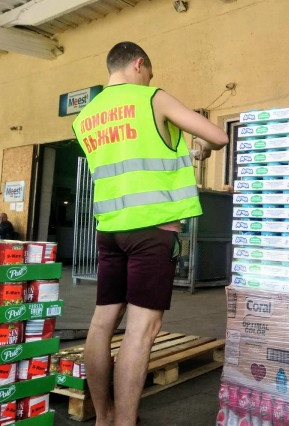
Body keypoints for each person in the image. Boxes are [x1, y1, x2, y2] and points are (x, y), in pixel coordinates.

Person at [72, 42, 228, 426]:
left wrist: (187, 152)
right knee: (142, 331)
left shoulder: (85, 117)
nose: (149, 80)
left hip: (109, 231)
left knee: (101, 324)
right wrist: (203, 148)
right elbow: (218, 136)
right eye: (149, 74)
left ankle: (104, 418)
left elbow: (130, 157)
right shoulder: (152, 97)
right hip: (152, 230)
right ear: (139, 65)